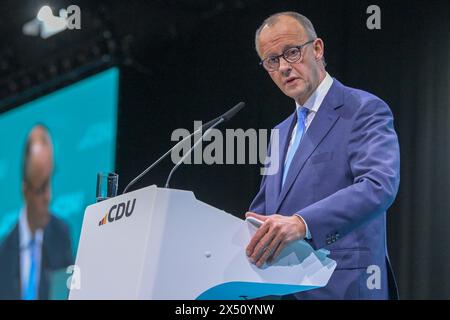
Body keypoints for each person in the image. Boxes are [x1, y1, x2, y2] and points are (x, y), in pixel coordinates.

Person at [246, 12, 400, 299]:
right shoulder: (279, 133)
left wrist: (302, 223)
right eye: (272, 60)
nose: (283, 67)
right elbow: (264, 212)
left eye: (291, 53)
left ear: (317, 49)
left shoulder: (362, 109)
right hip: (283, 290)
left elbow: (378, 186)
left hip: (344, 286)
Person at [0, 125, 73, 300]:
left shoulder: (62, 236)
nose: (49, 196)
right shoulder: (3, 254)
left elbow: (74, 292)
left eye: (49, 182)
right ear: (25, 192)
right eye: (41, 189)